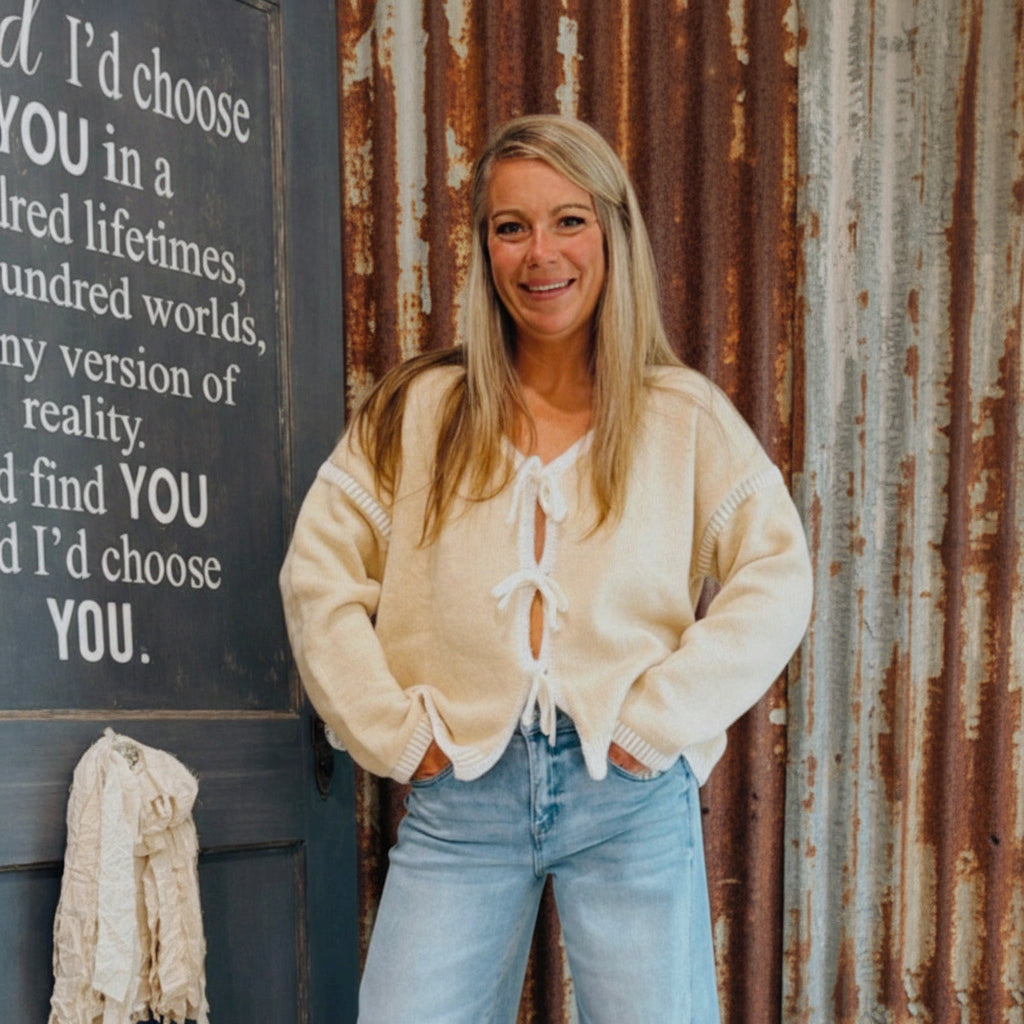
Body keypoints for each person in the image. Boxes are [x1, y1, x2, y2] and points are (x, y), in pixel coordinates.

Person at [280, 114, 813, 1024]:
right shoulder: (420, 410)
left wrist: (659, 719)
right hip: (464, 796)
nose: (540, 253)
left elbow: (777, 572)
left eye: (569, 220)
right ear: (485, 248)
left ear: (612, 232)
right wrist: (395, 736)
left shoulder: (681, 415)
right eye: (510, 226)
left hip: (629, 792)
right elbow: (317, 575)